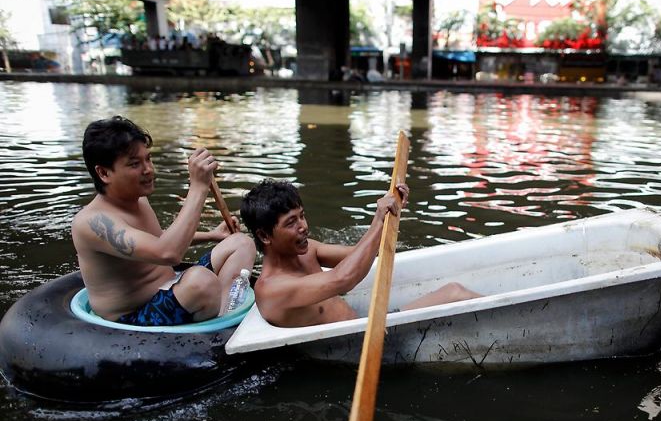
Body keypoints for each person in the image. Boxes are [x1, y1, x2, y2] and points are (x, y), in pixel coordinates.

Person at [71, 116, 256, 325]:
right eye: (134, 164)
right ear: (104, 172)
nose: (148, 169)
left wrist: (213, 235)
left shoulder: (138, 199)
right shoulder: (93, 223)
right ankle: (218, 312)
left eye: (148, 159)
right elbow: (168, 253)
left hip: (171, 286)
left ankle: (222, 314)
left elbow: (157, 240)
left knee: (241, 243)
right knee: (201, 282)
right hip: (135, 314)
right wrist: (198, 187)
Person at [240, 179, 480, 327]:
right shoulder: (271, 289)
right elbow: (343, 279)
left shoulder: (307, 249)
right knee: (456, 294)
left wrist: (391, 215)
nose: (303, 226)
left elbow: (361, 255)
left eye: (302, 215)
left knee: (455, 290)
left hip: (368, 327)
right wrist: (377, 221)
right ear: (264, 236)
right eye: (291, 222)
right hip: (358, 347)